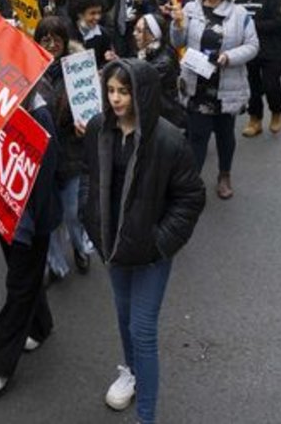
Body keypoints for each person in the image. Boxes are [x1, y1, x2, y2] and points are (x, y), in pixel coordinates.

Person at [81, 59, 206, 424]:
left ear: (142, 93)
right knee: (123, 318)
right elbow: (88, 175)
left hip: (151, 253)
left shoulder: (168, 139)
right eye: (111, 91)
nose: (116, 99)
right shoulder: (97, 128)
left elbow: (190, 198)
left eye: (124, 91)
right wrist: (90, 219)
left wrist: (160, 242)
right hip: (113, 247)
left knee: (143, 330)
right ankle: (131, 373)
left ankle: (146, 417)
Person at [0, 70, 62, 395]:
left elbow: (45, 177)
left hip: (30, 221)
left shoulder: (38, 112)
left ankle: (0, 364)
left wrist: (25, 226)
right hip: (4, 210)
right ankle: (41, 325)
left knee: (19, 285)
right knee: (25, 279)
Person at [170, 0, 259, 200]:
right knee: (197, 136)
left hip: (225, 86)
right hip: (197, 85)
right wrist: (176, 23)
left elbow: (252, 46)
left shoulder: (239, 14)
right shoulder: (189, 9)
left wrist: (229, 57)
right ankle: (192, 182)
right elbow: (177, 41)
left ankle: (224, 175)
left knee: (224, 134)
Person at [33, 17, 95, 282]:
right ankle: (56, 264)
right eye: (44, 39)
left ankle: (81, 248)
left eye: (56, 38)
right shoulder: (29, 71)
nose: (51, 44)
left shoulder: (80, 70)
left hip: (71, 156)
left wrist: (89, 126)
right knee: (50, 218)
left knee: (71, 213)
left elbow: (93, 110)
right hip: (42, 159)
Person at [234, 0, 281, 138]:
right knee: (252, 87)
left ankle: (277, 111)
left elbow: (280, 22)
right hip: (249, 51)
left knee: (271, 85)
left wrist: (253, 26)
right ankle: (255, 119)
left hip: (271, 50)